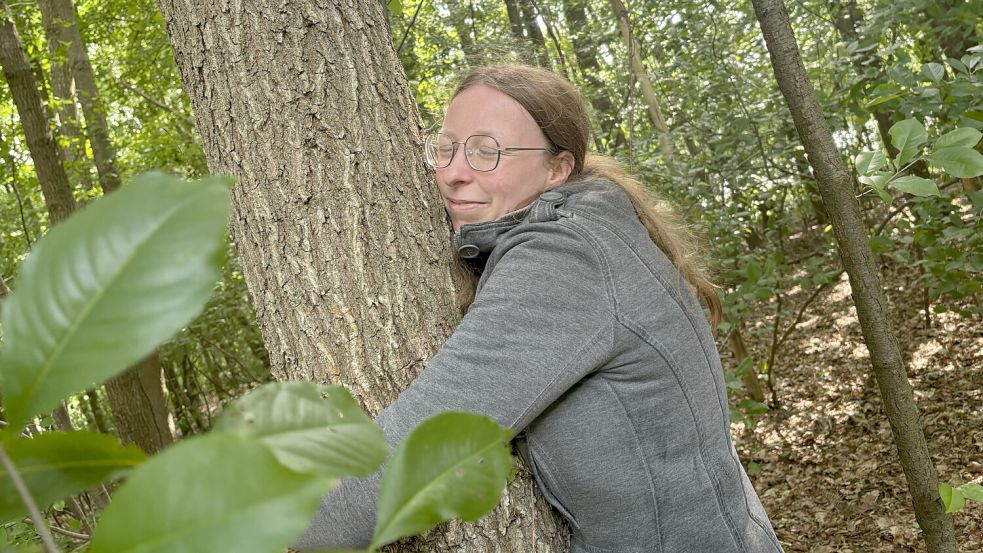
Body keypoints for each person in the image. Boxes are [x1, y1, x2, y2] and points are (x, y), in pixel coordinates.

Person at [295, 63, 783, 553]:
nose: (453, 173)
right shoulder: (595, 222)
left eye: (489, 152)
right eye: (445, 147)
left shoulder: (564, 262)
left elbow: (374, 490)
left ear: (557, 168)